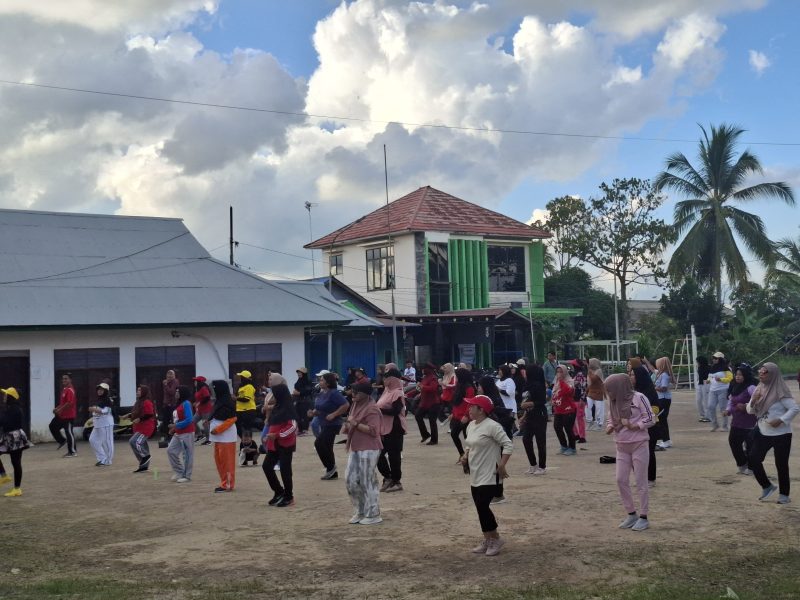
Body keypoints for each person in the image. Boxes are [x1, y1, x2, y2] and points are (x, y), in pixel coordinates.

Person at [461, 395, 513, 556]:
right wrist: (465, 455)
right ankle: (487, 538)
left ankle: (495, 538)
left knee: (483, 506)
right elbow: (470, 445)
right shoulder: (471, 425)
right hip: (475, 472)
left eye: (472, 406)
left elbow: (508, 444)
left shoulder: (492, 426)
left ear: (481, 410)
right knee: (479, 507)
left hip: (490, 473)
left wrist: (502, 465)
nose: (468, 409)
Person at [605, 374, 655, 532]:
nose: (609, 394)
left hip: (639, 444)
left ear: (619, 387)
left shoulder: (639, 398)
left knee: (641, 481)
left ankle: (644, 516)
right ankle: (631, 513)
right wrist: (610, 426)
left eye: (611, 390)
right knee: (620, 480)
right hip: (621, 446)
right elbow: (611, 419)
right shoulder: (613, 402)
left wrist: (636, 425)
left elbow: (651, 419)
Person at [747, 363, 800, 504]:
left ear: (773, 374)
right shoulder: (759, 388)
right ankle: (767, 486)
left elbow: (794, 408)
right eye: (760, 371)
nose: (761, 374)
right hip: (763, 431)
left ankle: (784, 495)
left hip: (781, 434)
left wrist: (781, 420)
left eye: (764, 372)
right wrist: (753, 401)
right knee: (753, 459)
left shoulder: (780, 390)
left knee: (781, 464)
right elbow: (750, 410)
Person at [344, 382, 384, 525]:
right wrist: (348, 425)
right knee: (350, 480)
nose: (353, 394)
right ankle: (360, 510)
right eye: (352, 391)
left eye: (356, 392)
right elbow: (350, 421)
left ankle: (373, 513)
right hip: (355, 447)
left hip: (369, 448)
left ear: (365, 394)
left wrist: (354, 423)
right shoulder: (355, 405)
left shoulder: (372, 409)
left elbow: (374, 431)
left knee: (368, 480)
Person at [262, 382, 298, 507]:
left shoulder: (288, 407)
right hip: (273, 444)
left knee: (285, 470)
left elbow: (293, 426)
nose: (273, 396)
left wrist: (277, 435)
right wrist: (268, 436)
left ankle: (289, 497)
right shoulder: (277, 407)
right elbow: (273, 424)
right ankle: (279, 492)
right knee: (266, 466)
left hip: (285, 444)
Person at [310, 371, 349, 480]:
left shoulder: (334, 393)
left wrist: (334, 414)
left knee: (318, 443)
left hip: (333, 424)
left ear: (328, 383)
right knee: (327, 446)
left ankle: (330, 467)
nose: (319, 381)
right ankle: (332, 471)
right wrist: (314, 413)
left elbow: (346, 405)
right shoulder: (322, 393)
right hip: (324, 422)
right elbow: (320, 408)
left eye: (322, 380)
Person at [376, 364, 407, 493]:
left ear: (393, 379)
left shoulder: (397, 393)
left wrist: (379, 410)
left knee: (394, 456)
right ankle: (388, 477)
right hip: (384, 427)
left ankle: (396, 481)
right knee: (377, 453)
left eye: (386, 378)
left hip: (395, 427)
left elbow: (396, 411)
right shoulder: (386, 391)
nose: (384, 380)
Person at [723, 364, 757, 475]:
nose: (738, 377)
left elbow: (758, 400)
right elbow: (731, 400)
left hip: (749, 422)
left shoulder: (751, 387)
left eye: (741, 375)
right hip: (736, 421)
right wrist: (728, 410)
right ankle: (742, 464)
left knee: (750, 446)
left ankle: (752, 468)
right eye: (736, 374)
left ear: (746, 375)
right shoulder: (734, 386)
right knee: (733, 442)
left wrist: (746, 405)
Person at [630, 362, 660, 487]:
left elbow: (655, 409)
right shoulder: (634, 392)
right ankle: (640, 477)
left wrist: (642, 418)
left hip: (650, 427)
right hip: (637, 428)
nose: (630, 377)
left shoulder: (649, 391)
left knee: (649, 452)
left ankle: (650, 479)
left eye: (632, 375)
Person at [0, 388, 30, 497]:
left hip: (14, 437)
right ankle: (4, 476)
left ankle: (17, 489)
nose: (3, 396)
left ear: (10, 397)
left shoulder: (14, 409)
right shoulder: (10, 408)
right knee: (16, 462)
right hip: (10, 436)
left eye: (5, 395)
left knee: (16, 462)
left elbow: (3, 422)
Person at [209, 380, 238, 493]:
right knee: (219, 461)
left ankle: (228, 484)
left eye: (215, 388)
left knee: (227, 462)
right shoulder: (220, 401)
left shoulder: (228, 402)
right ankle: (224, 482)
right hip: (218, 437)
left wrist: (218, 429)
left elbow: (233, 418)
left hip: (226, 437)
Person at [521, 364, 548, 475]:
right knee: (526, 439)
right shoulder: (527, 385)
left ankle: (542, 466)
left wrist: (529, 404)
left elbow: (542, 401)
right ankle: (533, 464)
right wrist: (523, 416)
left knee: (540, 441)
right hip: (530, 415)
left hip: (539, 415)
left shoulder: (539, 385)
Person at [167, 385, 195, 483]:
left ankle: (187, 475)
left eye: (178, 391)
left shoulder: (186, 403)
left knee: (187, 454)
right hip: (179, 432)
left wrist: (175, 425)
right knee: (170, 450)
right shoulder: (179, 404)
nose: (176, 393)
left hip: (187, 432)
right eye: (176, 391)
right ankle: (179, 471)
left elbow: (189, 419)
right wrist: (175, 428)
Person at [126, 385, 156, 473]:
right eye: (137, 390)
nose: (137, 392)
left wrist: (139, 419)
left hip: (146, 427)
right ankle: (143, 466)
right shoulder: (138, 402)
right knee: (141, 445)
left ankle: (145, 457)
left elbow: (149, 414)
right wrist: (128, 416)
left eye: (139, 390)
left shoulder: (147, 402)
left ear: (144, 392)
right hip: (139, 427)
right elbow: (137, 413)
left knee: (134, 441)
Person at [449, 367, 475, 463]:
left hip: (465, 416)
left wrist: (467, 415)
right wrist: (452, 413)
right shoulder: (458, 385)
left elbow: (470, 403)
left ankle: (469, 456)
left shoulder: (469, 387)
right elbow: (456, 401)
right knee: (454, 434)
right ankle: (462, 454)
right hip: (456, 415)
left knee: (467, 438)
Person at [551, 365, 577, 456]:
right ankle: (564, 446)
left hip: (569, 409)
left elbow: (567, 392)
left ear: (565, 372)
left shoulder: (570, 381)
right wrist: (553, 401)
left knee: (568, 428)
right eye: (557, 372)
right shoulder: (557, 382)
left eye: (561, 372)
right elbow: (554, 393)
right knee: (557, 427)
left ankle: (572, 448)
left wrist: (561, 381)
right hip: (559, 409)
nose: (559, 374)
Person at [50, 373, 77, 457]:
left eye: (66, 378)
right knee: (52, 426)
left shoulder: (70, 390)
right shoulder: (65, 389)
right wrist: (57, 408)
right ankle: (62, 441)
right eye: (63, 378)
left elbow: (69, 403)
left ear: (70, 380)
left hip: (68, 416)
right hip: (61, 415)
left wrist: (60, 409)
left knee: (69, 432)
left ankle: (72, 452)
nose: (64, 380)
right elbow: (63, 403)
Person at [88, 383, 114, 466]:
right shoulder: (99, 400)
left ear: (106, 391)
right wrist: (93, 419)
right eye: (98, 389)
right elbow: (97, 411)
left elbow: (106, 411)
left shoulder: (108, 400)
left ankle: (108, 460)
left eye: (102, 390)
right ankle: (102, 458)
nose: (99, 391)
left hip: (106, 424)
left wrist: (93, 410)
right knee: (92, 440)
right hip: (97, 424)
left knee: (107, 442)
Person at [415, 364, 440, 445]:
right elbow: (423, 387)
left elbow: (433, 388)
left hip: (433, 403)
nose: (422, 370)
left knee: (432, 421)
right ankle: (425, 434)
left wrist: (423, 386)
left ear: (428, 369)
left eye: (423, 369)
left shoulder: (433, 378)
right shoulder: (425, 377)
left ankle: (434, 439)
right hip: (424, 402)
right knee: (418, 416)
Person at [708, 352, 733, 432]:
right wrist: (708, 381)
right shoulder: (712, 367)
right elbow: (710, 377)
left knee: (723, 408)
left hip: (723, 389)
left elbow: (730, 378)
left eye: (715, 358)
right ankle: (715, 425)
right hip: (712, 390)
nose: (714, 360)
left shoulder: (726, 368)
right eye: (713, 358)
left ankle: (725, 426)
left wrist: (721, 379)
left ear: (720, 359)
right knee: (710, 406)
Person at [654, 357, 675, 449]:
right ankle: (666, 440)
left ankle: (666, 440)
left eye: (658, 364)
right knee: (662, 419)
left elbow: (664, 388)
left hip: (664, 399)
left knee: (661, 419)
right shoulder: (662, 374)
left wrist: (654, 387)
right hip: (662, 399)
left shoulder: (664, 375)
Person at [234, 370, 257, 438]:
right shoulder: (241, 387)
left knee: (247, 428)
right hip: (240, 410)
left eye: (241, 377)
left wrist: (236, 398)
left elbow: (246, 399)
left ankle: (248, 443)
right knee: (238, 427)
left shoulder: (249, 387)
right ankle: (244, 441)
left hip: (248, 410)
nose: (240, 378)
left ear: (244, 378)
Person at [586, 358, 605, 431]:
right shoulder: (589, 371)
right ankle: (590, 422)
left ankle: (599, 424)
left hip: (598, 392)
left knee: (599, 409)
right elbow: (589, 383)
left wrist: (589, 372)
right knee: (587, 406)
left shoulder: (598, 371)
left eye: (590, 363)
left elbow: (594, 379)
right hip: (591, 391)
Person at [192, 376, 213, 445]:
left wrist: (199, 403)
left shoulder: (204, 388)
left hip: (206, 409)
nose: (194, 382)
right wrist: (196, 402)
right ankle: (199, 434)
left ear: (199, 382)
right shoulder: (198, 389)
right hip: (200, 409)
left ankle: (208, 439)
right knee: (192, 421)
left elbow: (207, 397)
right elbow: (199, 398)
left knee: (205, 424)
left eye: (195, 381)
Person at [160, 369, 179, 444]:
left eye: (171, 374)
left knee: (173, 421)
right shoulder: (166, 382)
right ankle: (167, 436)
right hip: (166, 405)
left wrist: (165, 385)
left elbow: (172, 392)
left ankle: (173, 437)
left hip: (173, 405)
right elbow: (165, 394)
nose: (169, 376)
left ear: (174, 376)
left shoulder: (175, 382)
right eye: (168, 374)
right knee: (165, 422)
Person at [292, 368, 313, 435]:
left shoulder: (308, 381)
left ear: (304, 374)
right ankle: (300, 430)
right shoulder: (298, 382)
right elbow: (296, 390)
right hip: (298, 400)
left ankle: (305, 430)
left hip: (305, 400)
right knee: (298, 415)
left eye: (300, 373)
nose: (299, 374)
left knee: (304, 415)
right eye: (298, 373)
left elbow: (308, 390)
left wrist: (299, 393)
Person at [571, 359, 588, 443]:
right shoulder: (575, 374)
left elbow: (584, 388)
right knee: (573, 418)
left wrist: (582, 398)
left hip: (579, 399)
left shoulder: (581, 375)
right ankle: (576, 434)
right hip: (574, 398)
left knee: (579, 418)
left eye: (573, 365)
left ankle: (582, 436)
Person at [696, 356, 711, 422]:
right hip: (700, 383)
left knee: (706, 400)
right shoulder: (699, 368)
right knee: (698, 400)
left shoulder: (709, 368)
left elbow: (711, 377)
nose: (697, 363)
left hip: (706, 384)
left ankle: (708, 416)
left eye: (698, 361)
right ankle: (702, 414)